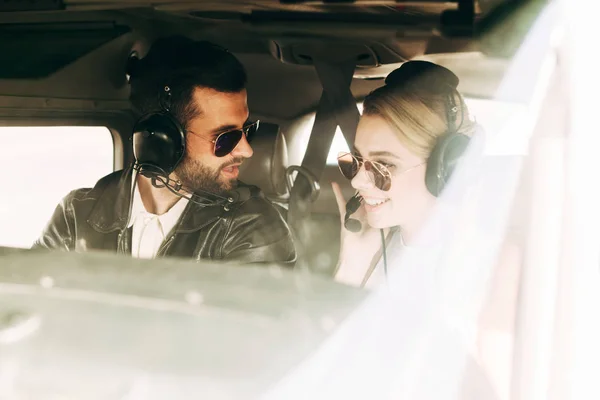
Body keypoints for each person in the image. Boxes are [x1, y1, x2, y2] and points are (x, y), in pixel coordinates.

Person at [331, 60, 521, 398]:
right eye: (358, 160)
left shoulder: (493, 267)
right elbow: (323, 373)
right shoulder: (372, 252)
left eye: (384, 165)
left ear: (447, 167)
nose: (359, 180)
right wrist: (350, 270)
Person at [33, 35, 296, 264]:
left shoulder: (254, 225)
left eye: (246, 130)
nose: (247, 150)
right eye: (225, 137)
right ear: (163, 140)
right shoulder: (77, 215)